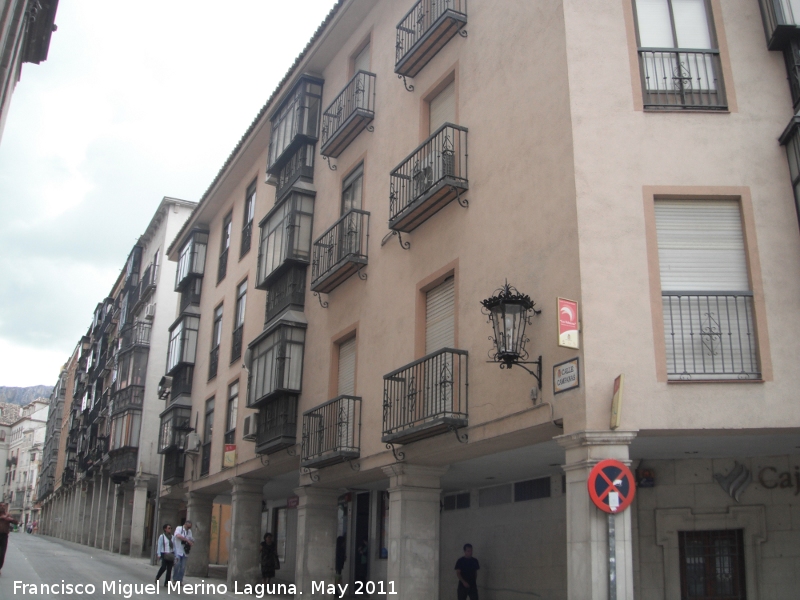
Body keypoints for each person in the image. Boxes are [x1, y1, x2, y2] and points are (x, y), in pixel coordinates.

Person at [0, 503, 19, 576]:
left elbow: (16, 522)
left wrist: (11, 519)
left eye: (3, 506)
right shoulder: (4, 516)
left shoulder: (8, 515)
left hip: (4, 536)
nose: (2, 507)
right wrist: (2, 518)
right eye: (0, 506)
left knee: (2, 553)